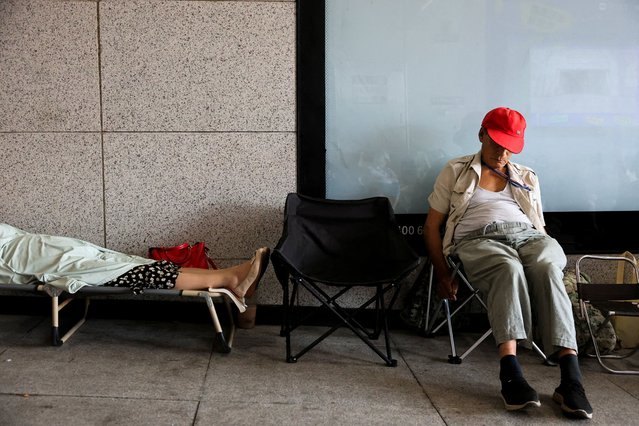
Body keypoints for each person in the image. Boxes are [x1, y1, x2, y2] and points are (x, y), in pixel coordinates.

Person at [423, 107, 593, 419]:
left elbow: (538, 227)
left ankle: (571, 379)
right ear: (481, 135)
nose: (502, 153)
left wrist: (539, 245)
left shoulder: (526, 176)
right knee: (508, 268)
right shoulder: (456, 170)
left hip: (528, 237)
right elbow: (431, 227)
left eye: (509, 146)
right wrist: (443, 272)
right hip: (478, 239)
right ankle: (511, 374)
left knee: (546, 266)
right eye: (496, 143)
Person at [0, 223, 270, 303]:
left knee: (125, 262)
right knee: (126, 270)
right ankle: (231, 279)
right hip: (26, 257)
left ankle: (231, 275)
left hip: (32, 243)